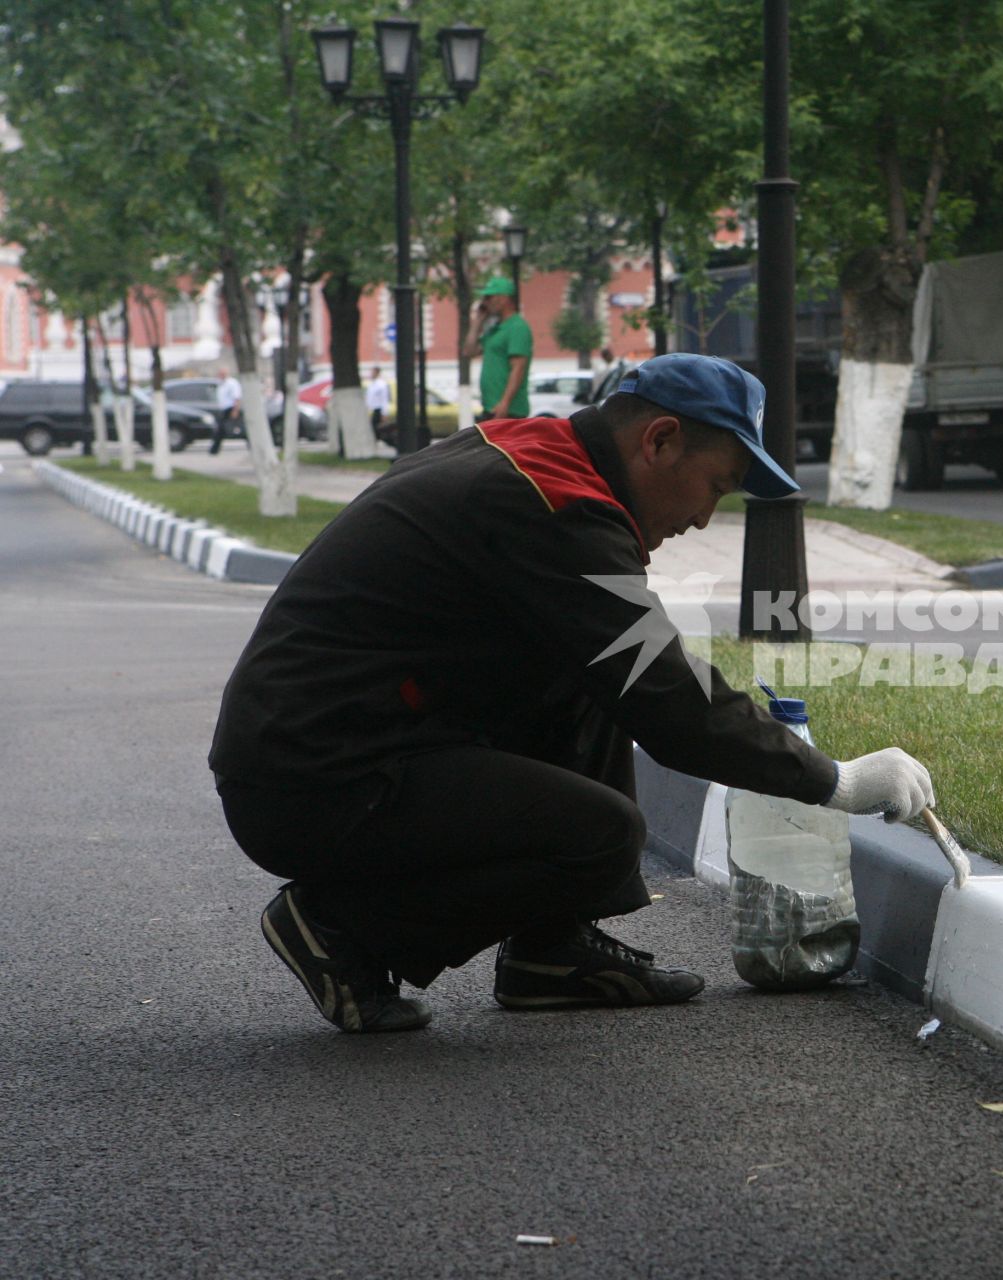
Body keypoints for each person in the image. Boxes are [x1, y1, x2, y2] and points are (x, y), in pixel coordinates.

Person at [209, 353, 937, 1034]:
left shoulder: (521, 451)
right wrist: (835, 781)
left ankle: (551, 954)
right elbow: (669, 700)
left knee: (588, 675)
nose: (704, 519)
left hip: (327, 742)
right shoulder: (554, 505)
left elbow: (628, 669)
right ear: (660, 440)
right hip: (316, 777)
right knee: (601, 834)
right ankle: (341, 929)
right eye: (715, 487)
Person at [465, 275, 532, 423]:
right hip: (490, 408)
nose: (485, 302)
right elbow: (469, 351)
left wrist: (505, 403)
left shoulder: (517, 327)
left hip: (509, 411)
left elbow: (518, 368)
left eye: (489, 297)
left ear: (504, 298)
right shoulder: (494, 330)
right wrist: (478, 321)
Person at [213, 367, 241, 456]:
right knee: (220, 429)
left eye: (222, 374)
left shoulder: (232, 383)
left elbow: (236, 397)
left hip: (230, 409)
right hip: (223, 409)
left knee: (225, 428)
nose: (220, 376)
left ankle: (214, 449)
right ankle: (214, 449)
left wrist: (235, 410)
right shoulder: (221, 384)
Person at [364, 365, 390, 435]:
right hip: (371, 410)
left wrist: (384, 413)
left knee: (376, 430)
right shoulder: (371, 384)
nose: (371, 374)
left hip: (378, 410)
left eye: (373, 372)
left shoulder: (381, 385)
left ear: (377, 373)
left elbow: (384, 399)